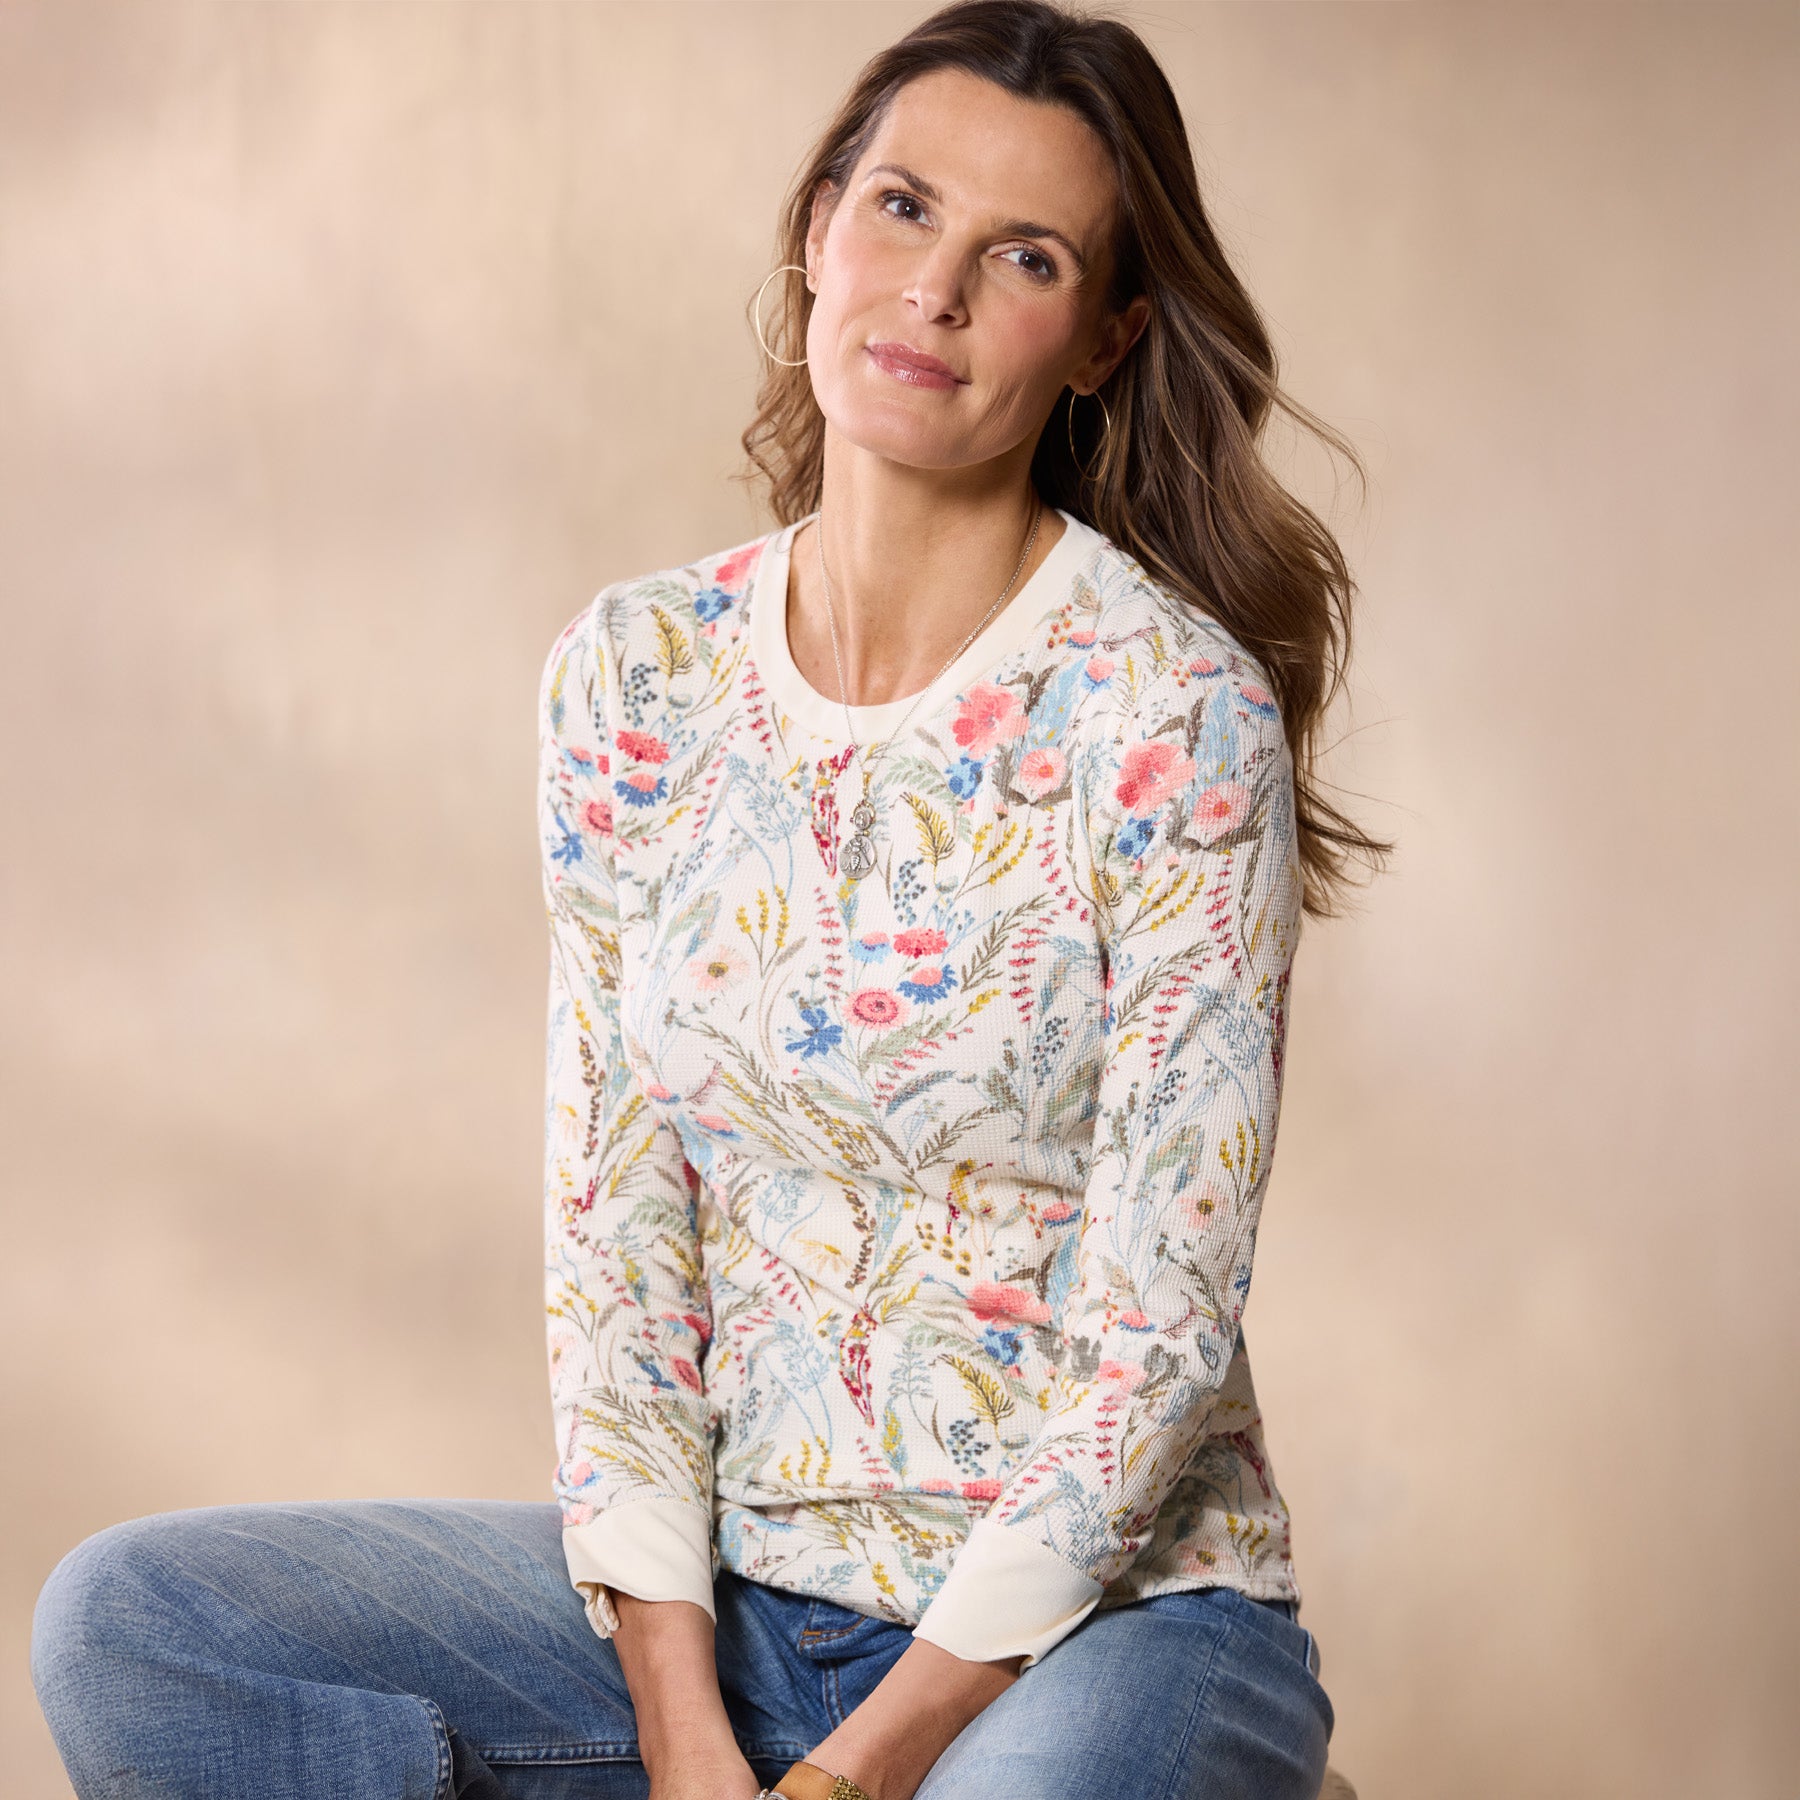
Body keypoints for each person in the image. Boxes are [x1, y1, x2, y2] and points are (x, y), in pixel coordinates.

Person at [31, 3, 1391, 1796]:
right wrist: (686, 1735)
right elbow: (619, 1236)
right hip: (743, 1615)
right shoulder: (636, 674)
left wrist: (852, 1772)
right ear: (820, 227)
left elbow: (1159, 1327)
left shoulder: (1170, 713)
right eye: (902, 207)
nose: (934, 291)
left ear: (1103, 339)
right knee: (133, 1629)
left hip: (1112, 1633)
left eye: (1027, 257)